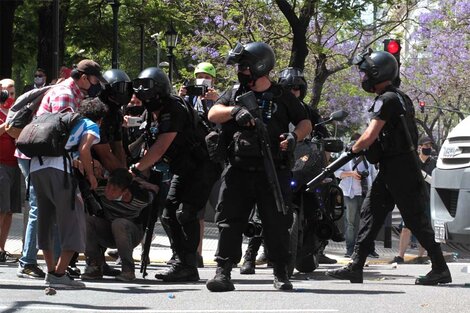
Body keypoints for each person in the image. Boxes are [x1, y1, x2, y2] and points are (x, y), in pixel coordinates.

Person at [326, 50, 451, 285]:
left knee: (414, 220)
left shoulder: (387, 99)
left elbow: (370, 135)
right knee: (370, 214)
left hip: (400, 168)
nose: (363, 77)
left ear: (378, 73)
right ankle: (356, 266)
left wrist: (353, 149)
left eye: (365, 73)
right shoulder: (400, 97)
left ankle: (440, 268)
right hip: (394, 167)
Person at [205, 42, 312, 292]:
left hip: (272, 170)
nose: (240, 71)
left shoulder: (283, 96)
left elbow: (305, 121)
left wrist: (295, 136)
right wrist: (235, 111)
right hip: (238, 170)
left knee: (277, 222)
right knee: (229, 222)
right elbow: (213, 114)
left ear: (259, 66)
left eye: (244, 67)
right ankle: (223, 272)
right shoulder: (234, 92)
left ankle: (281, 272)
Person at [16, 59, 106, 279]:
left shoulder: (74, 93)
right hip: (50, 159)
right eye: (94, 79)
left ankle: (54, 267)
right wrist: (82, 165)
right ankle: (34, 262)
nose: (95, 84)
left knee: (48, 212)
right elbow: (58, 130)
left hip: (42, 159)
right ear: (84, 77)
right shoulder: (66, 93)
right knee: (46, 211)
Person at [129, 67, 221, 282]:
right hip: (183, 167)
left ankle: (187, 263)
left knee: (185, 212)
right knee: (169, 212)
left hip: (202, 166)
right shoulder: (154, 112)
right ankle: (181, 260)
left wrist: (135, 168)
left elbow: (161, 147)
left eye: (148, 92)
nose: (144, 97)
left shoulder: (173, 108)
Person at [29, 97, 107, 289]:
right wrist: (91, 176)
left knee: (45, 219)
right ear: (100, 119)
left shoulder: (66, 119)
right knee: (74, 220)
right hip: (59, 171)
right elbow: (84, 149)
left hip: (36, 168)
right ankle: (60, 273)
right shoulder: (90, 125)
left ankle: (51, 270)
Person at [179, 61, 220, 267]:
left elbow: (221, 123)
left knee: (222, 209)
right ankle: (196, 253)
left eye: (207, 77)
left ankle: (224, 254)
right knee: (195, 211)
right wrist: (181, 97)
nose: (202, 80)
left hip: (213, 161)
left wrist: (215, 100)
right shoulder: (188, 99)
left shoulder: (219, 100)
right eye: (199, 76)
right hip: (193, 158)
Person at [81, 168, 152, 282]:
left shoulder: (140, 198)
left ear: (125, 191)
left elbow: (156, 193)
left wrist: (146, 185)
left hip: (131, 234)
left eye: (114, 189)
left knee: (119, 223)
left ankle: (128, 270)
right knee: (85, 220)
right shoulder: (101, 188)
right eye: (109, 186)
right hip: (108, 231)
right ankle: (94, 265)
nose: (109, 191)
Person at [392, 136, 436, 264]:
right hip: (412, 198)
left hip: (427, 200)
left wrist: (424, 175)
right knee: (406, 228)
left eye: (430, 146)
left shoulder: (433, 163)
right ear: (419, 147)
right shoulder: (413, 161)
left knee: (426, 228)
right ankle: (400, 256)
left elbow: (435, 181)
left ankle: (421, 256)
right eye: (426, 146)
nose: (428, 148)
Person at [335, 133, 378, 258]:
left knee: (367, 223)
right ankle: (350, 250)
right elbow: (336, 173)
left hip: (365, 193)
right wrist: (351, 174)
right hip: (350, 194)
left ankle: (369, 249)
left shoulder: (367, 157)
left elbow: (373, 174)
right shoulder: (345, 156)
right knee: (351, 224)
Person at [0, 78, 21, 263]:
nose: (10, 96)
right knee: (1, 209)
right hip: (1, 165)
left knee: (9, 211)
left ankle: (2, 249)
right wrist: (8, 124)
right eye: (6, 92)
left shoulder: (16, 111)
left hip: (15, 164)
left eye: (13, 93)